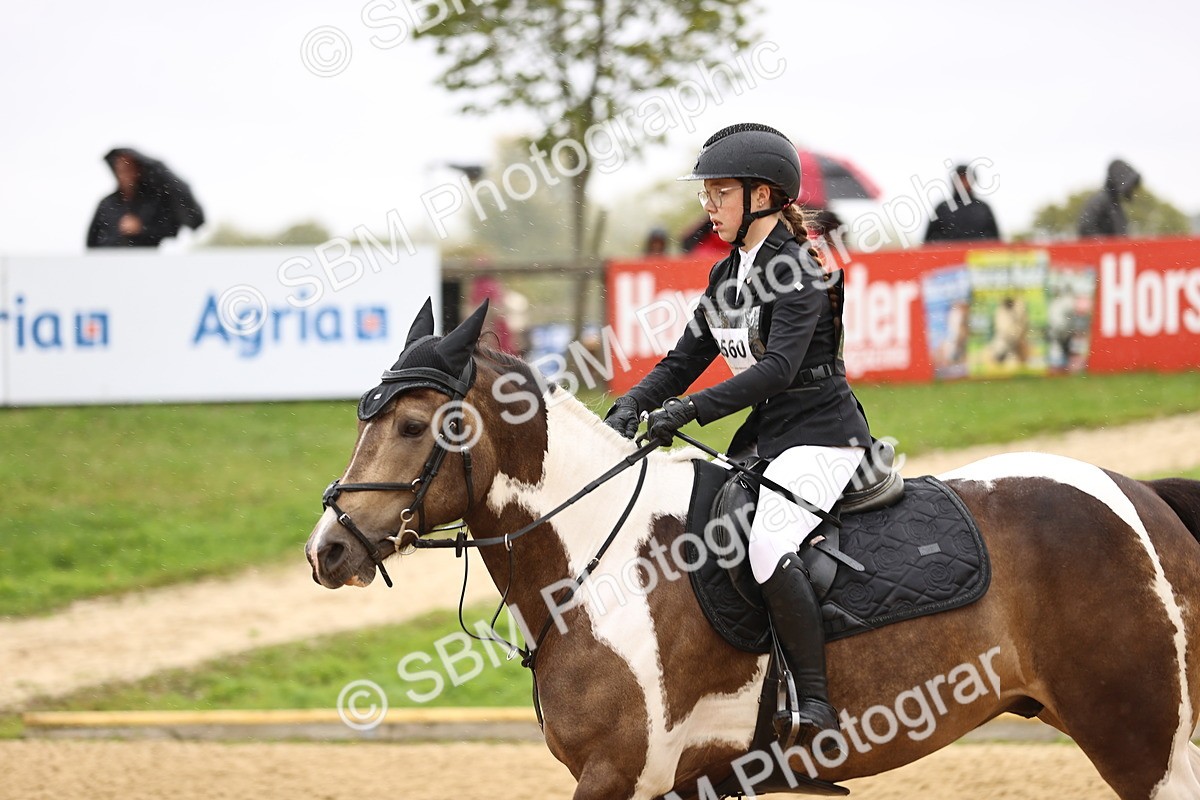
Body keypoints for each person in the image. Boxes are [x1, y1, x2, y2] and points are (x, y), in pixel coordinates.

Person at [603, 123, 875, 751]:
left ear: (763, 196)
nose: (708, 205)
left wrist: (688, 411)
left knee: (767, 543)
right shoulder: (729, 272)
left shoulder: (799, 268)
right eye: (706, 193)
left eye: (720, 192)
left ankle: (815, 705)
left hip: (822, 437)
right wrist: (633, 404)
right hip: (766, 438)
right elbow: (684, 357)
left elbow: (778, 370)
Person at [87, 147, 204, 248]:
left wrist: (142, 228)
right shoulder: (107, 203)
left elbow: (170, 230)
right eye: (120, 169)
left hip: (144, 261)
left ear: (138, 170)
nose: (125, 174)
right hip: (109, 261)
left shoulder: (153, 201)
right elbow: (91, 240)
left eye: (128, 169)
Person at [923, 164, 1000, 243]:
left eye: (966, 179)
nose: (962, 183)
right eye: (959, 178)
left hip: (978, 251)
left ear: (973, 181)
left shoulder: (983, 209)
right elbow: (928, 242)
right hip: (948, 251)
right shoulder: (942, 208)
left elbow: (995, 241)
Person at [1077, 159, 1141, 238]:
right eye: (1130, 186)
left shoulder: (1115, 204)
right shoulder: (1101, 201)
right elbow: (1085, 227)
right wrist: (1105, 243)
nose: (1132, 190)